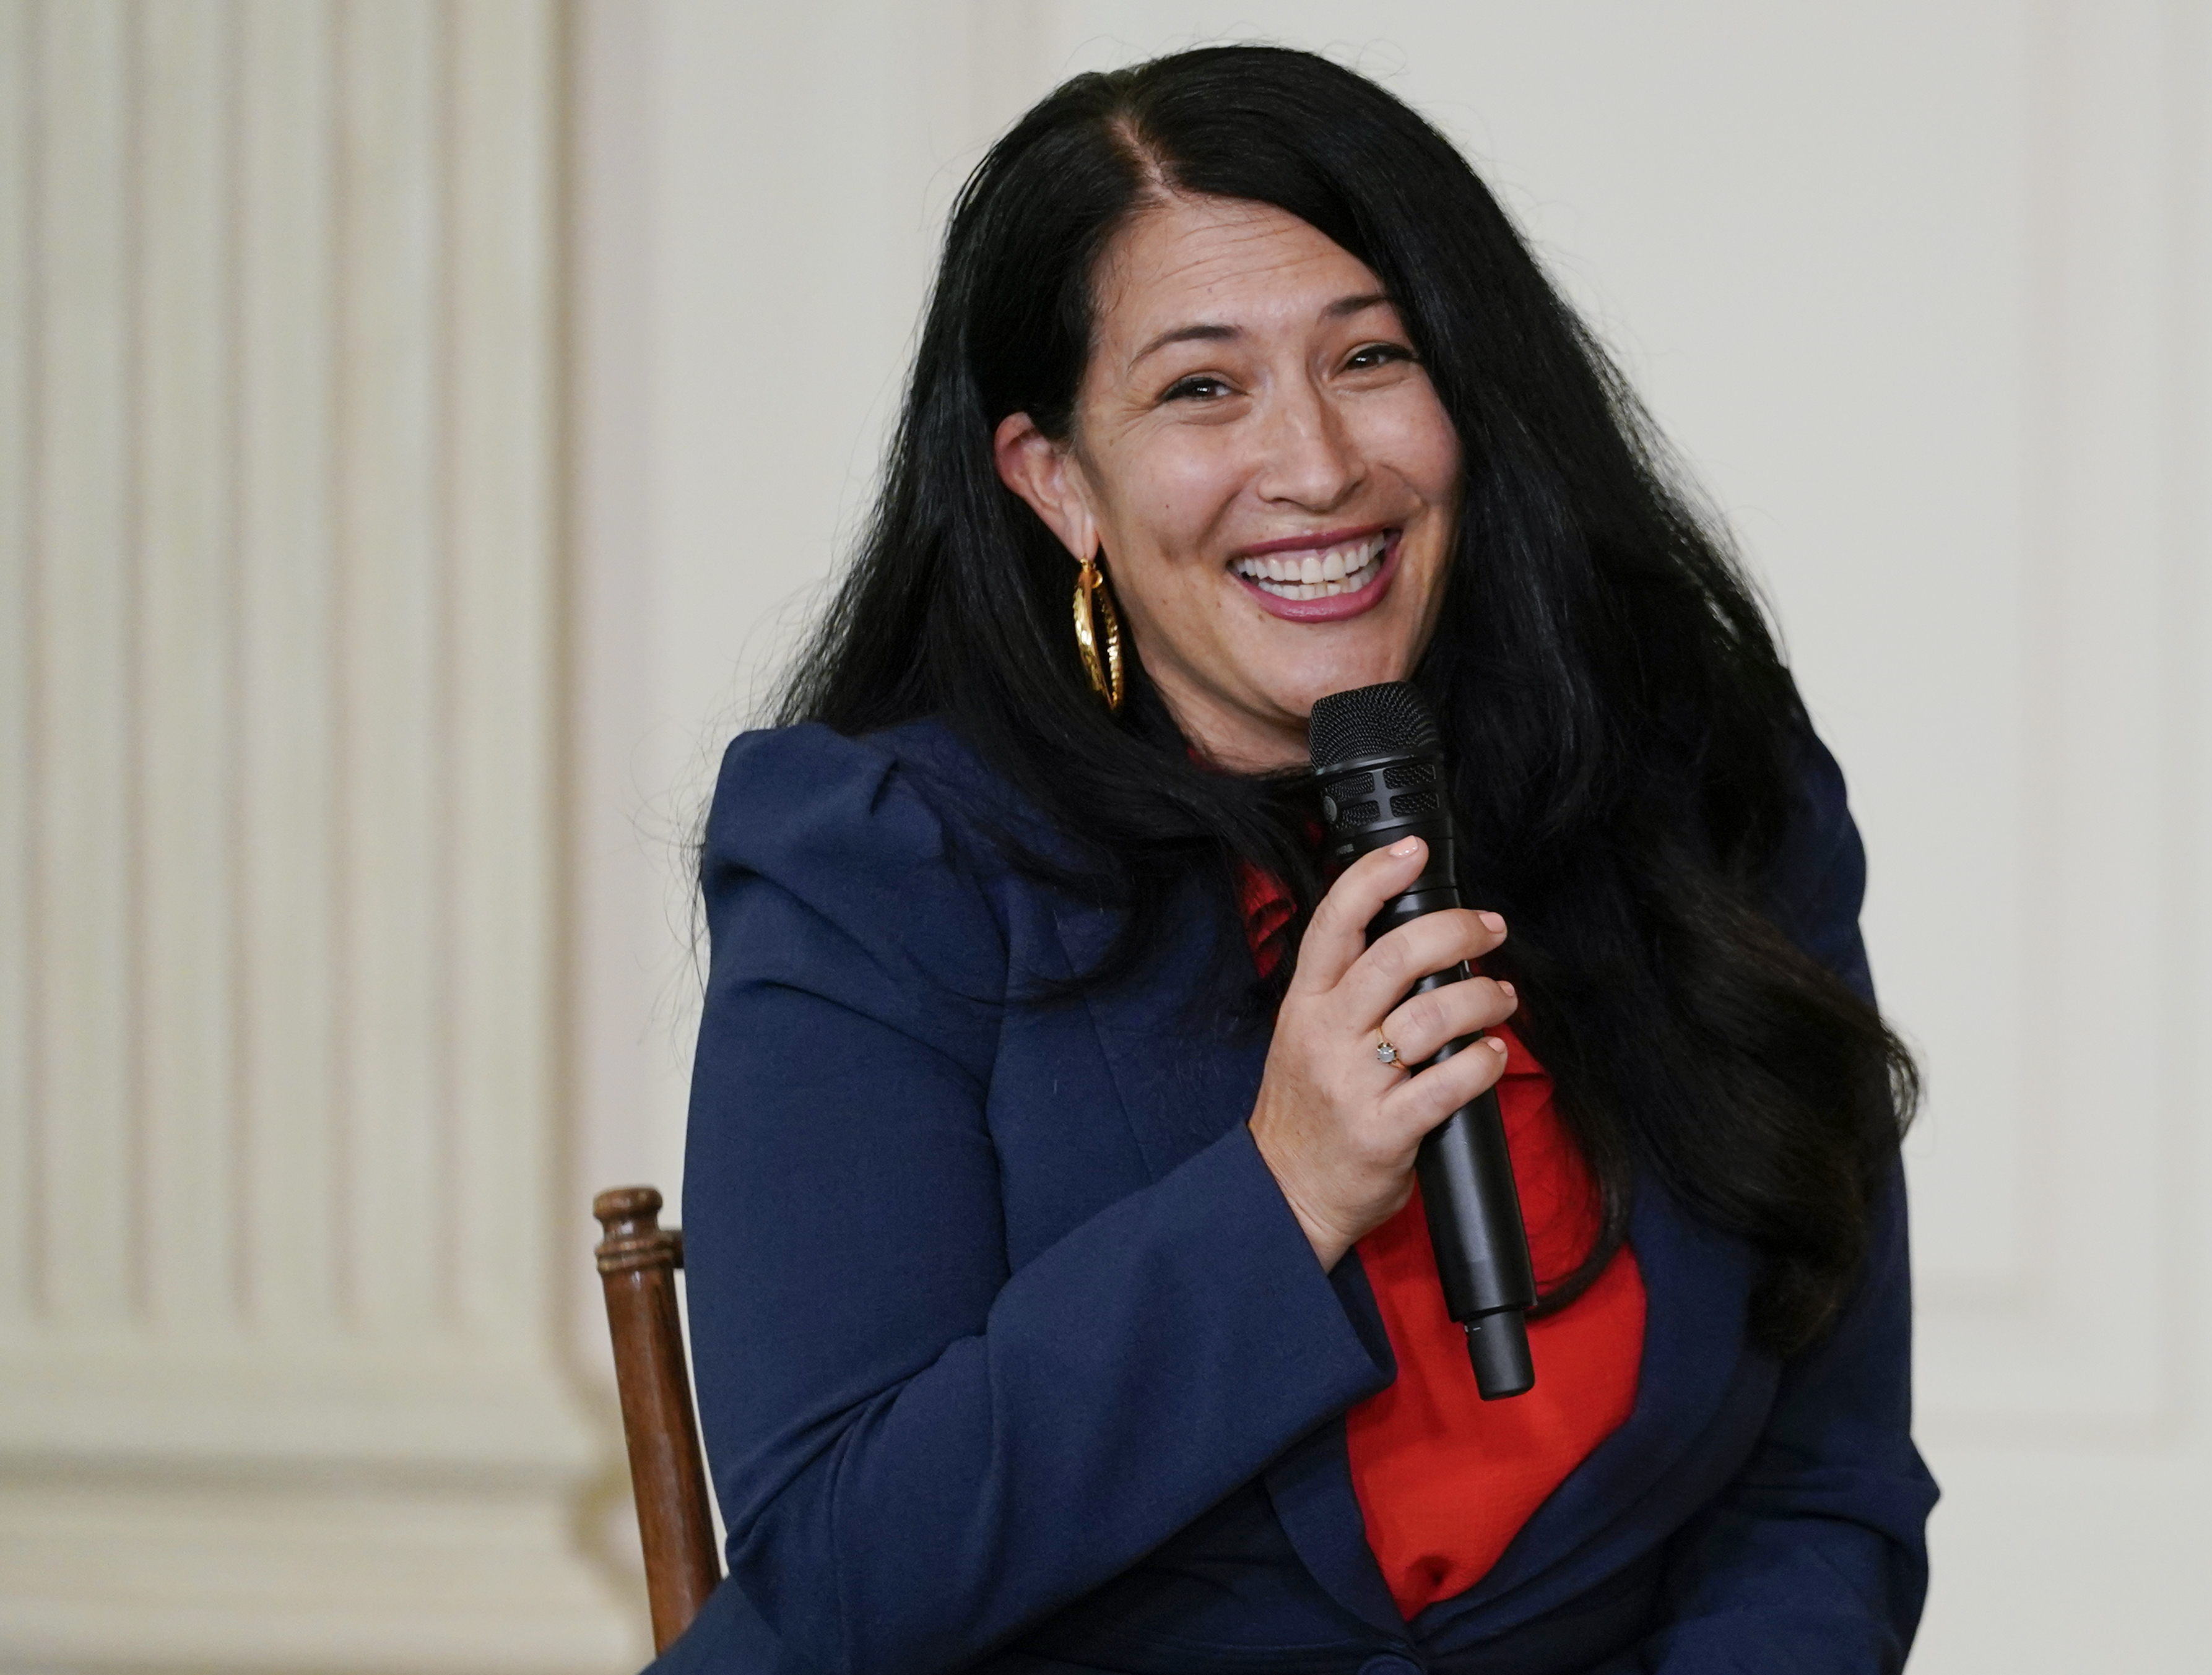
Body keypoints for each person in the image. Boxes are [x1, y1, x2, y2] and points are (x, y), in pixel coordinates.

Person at [661, 44, 1935, 1675]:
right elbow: (843, 1573)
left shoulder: (1697, 794)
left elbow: (1819, 1485)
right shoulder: (885, 860)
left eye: (1371, 356)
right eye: (1202, 386)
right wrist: (1283, 1192)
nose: (1319, 463)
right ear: (1056, 479)